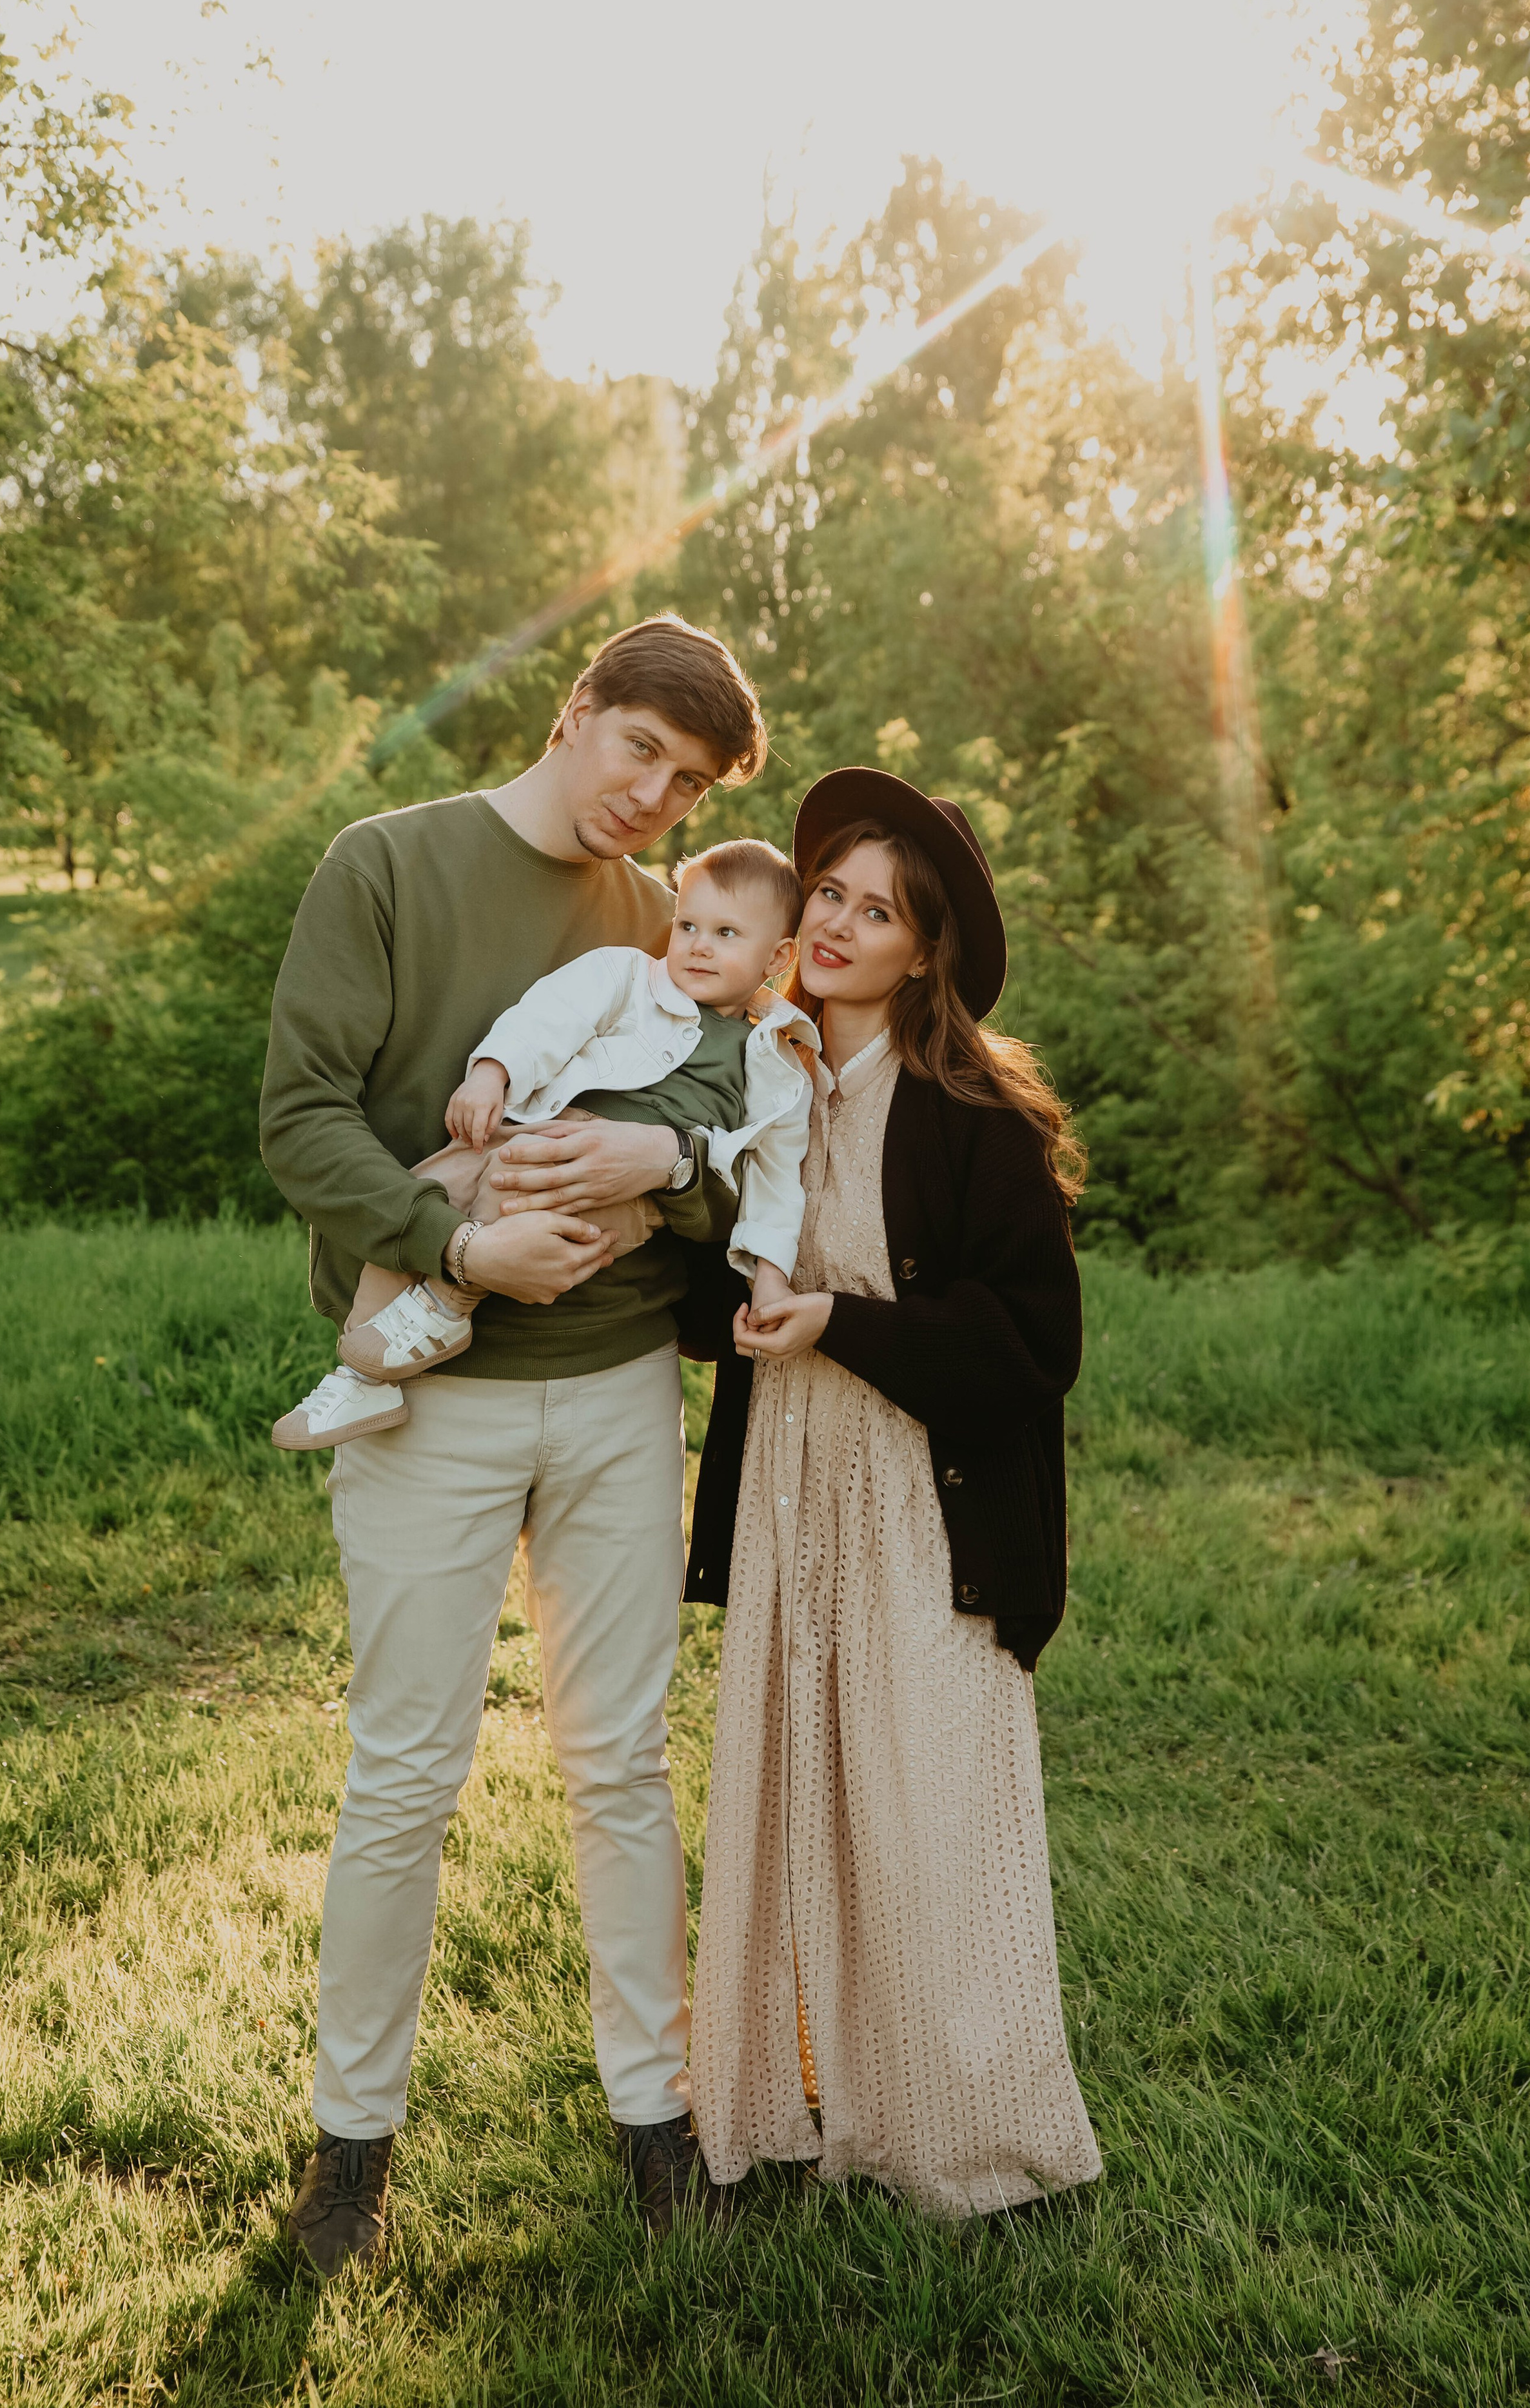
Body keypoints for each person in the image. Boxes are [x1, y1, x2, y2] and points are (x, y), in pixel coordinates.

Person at [257, 615, 764, 2277]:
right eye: (640, 751)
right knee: (405, 1770)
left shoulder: (674, 927)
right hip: (435, 1402)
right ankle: (351, 2144)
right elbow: (300, 1116)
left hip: (617, 1390)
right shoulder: (387, 865)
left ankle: (655, 2117)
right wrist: (453, 1243)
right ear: (576, 711)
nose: (652, 797)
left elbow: (732, 1150)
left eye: (685, 782)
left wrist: (651, 1176)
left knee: (620, 1760)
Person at [685, 766, 1103, 2218]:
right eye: (827, 898)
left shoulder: (969, 1109)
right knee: (793, 1785)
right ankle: (789, 2107)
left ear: (924, 950)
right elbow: (712, 1278)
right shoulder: (757, 1075)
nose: (842, 925)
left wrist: (838, 1324)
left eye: (880, 911)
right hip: (790, 1489)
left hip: (925, 1501)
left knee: (922, 1805)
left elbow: (1032, 1351)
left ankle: (958, 2141)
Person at [270, 838, 817, 1449]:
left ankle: (449, 1305)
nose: (697, 945)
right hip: (531, 1129)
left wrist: (769, 1274)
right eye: (687, 924)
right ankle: (362, 1373)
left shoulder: (776, 1065)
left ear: (779, 956)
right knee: (425, 1194)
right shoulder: (630, 976)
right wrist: (492, 1072)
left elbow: (776, 1178)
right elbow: (551, 1016)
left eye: (726, 933)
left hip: (624, 1191)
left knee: (516, 1195)